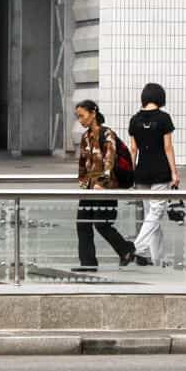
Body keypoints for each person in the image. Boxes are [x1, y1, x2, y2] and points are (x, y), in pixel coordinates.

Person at [74, 99, 139, 271]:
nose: (80, 120)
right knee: (82, 223)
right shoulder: (85, 137)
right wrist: (82, 184)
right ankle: (88, 264)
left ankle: (126, 249)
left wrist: (103, 183)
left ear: (93, 113)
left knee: (101, 223)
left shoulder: (106, 133)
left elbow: (110, 159)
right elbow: (83, 163)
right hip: (89, 188)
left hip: (106, 186)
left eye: (82, 116)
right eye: (78, 117)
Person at [128, 83, 179, 266]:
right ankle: (136, 247)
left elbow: (133, 150)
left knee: (152, 215)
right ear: (160, 97)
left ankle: (158, 260)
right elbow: (167, 147)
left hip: (141, 172)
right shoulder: (164, 118)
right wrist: (174, 172)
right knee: (155, 214)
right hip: (160, 171)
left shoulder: (134, 120)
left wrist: (131, 174)